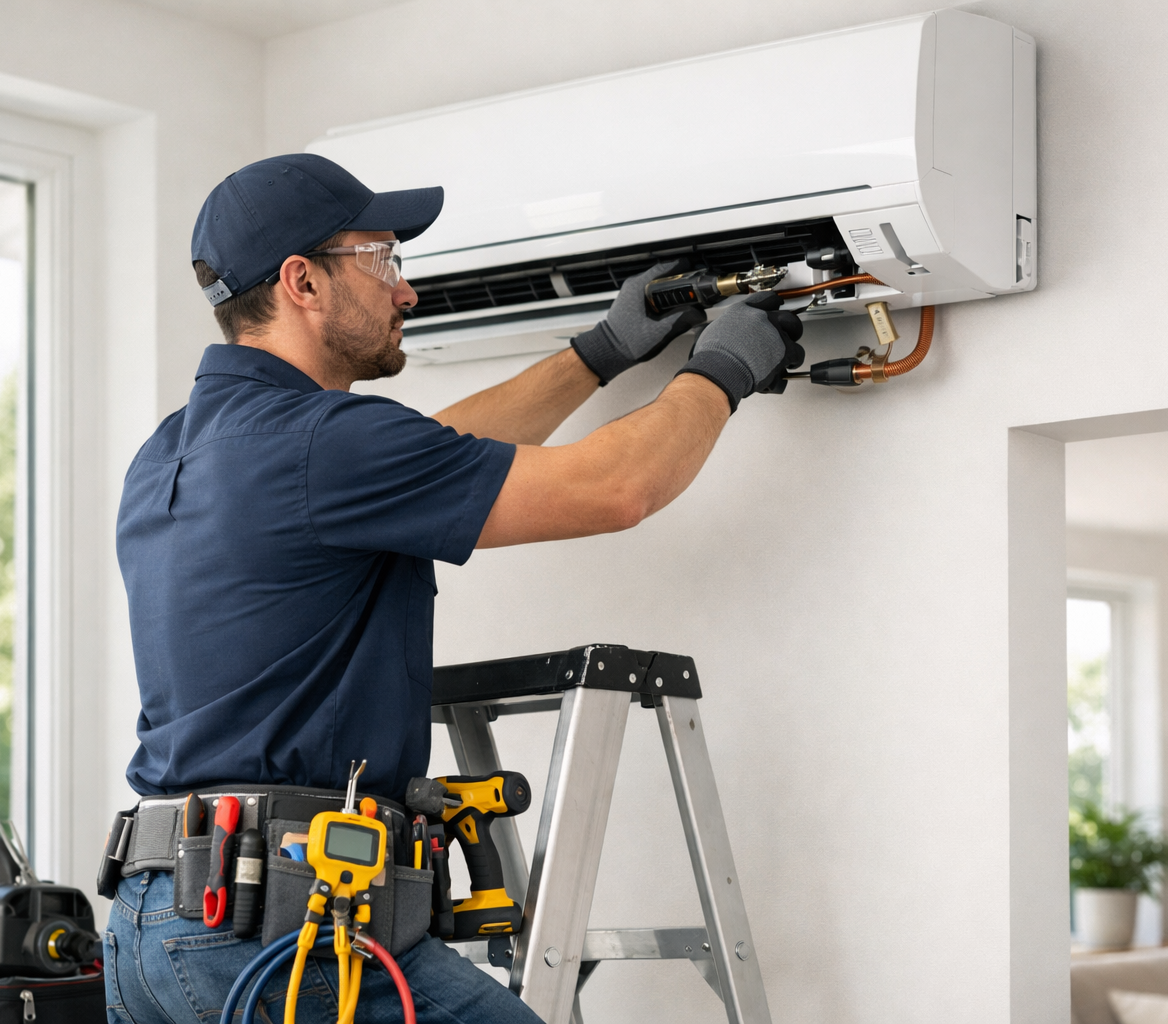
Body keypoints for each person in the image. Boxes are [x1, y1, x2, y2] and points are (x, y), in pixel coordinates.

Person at [104, 154, 803, 1024]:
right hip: (279, 931)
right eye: (383, 259)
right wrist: (722, 370)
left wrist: (601, 354)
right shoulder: (327, 446)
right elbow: (620, 486)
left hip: (153, 925)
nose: (406, 292)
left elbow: (434, 451)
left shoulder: (178, 448)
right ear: (303, 282)